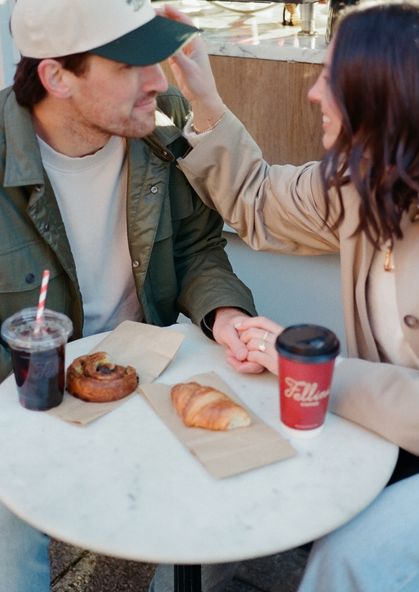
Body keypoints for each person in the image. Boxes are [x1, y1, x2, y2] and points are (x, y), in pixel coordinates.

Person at [163, 0, 419, 589]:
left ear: (384, 93)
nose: (313, 91)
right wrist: (202, 93)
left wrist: (305, 368)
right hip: (405, 442)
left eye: (331, 76)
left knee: (355, 561)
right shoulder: (363, 184)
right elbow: (255, 201)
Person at [0, 0, 263, 590]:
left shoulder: (164, 121)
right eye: (129, 64)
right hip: (24, 397)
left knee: (248, 467)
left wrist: (223, 314)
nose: (158, 80)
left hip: (148, 365)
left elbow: (198, 247)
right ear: (57, 76)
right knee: (6, 536)